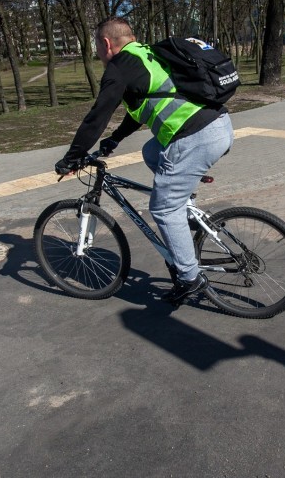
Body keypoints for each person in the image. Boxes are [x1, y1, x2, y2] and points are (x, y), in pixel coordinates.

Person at [55, 17, 234, 305]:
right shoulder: (146, 54)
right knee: (151, 151)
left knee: (163, 208)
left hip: (195, 137)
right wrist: (116, 138)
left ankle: (189, 278)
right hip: (218, 126)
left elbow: (97, 115)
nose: (98, 55)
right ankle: (187, 208)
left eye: (97, 48)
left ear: (105, 43)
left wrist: (73, 156)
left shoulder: (118, 67)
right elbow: (145, 101)